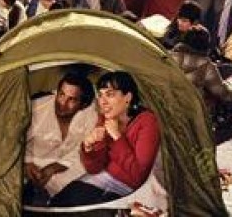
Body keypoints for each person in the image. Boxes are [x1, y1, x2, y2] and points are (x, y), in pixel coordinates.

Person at [50, 71, 161, 207]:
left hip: (129, 188)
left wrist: (117, 137)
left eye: (110, 94)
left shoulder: (147, 122)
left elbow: (138, 176)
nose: (103, 102)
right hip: (101, 178)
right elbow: (94, 168)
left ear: (128, 97)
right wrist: (89, 148)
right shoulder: (105, 118)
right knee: (57, 204)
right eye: (100, 95)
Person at [24, 72, 98, 205]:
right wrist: (25, 163)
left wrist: (55, 167)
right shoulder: (35, 108)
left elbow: (87, 149)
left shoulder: (91, 114)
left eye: (72, 99)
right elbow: (10, 142)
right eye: (61, 95)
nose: (63, 103)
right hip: (31, 165)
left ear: (83, 103)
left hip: (67, 169)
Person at [170, 26, 232, 103]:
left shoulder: (170, 54)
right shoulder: (207, 67)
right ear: (205, 44)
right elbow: (225, 94)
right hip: (182, 104)